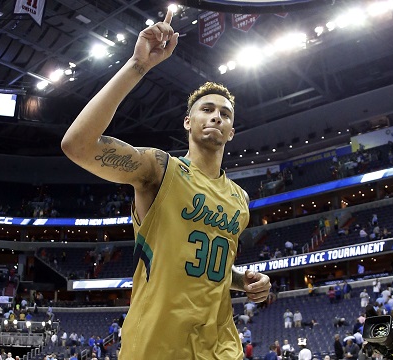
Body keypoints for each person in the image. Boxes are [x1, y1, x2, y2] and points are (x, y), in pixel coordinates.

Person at [60, 8, 270, 359]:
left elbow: (206, 263)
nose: (217, 115)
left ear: (232, 132)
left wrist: (243, 279)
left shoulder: (240, 198)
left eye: (226, 113)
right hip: (157, 346)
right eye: (207, 109)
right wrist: (137, 65)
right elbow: (77, 145)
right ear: (188, 122)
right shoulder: (159, 170)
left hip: (220, 347)